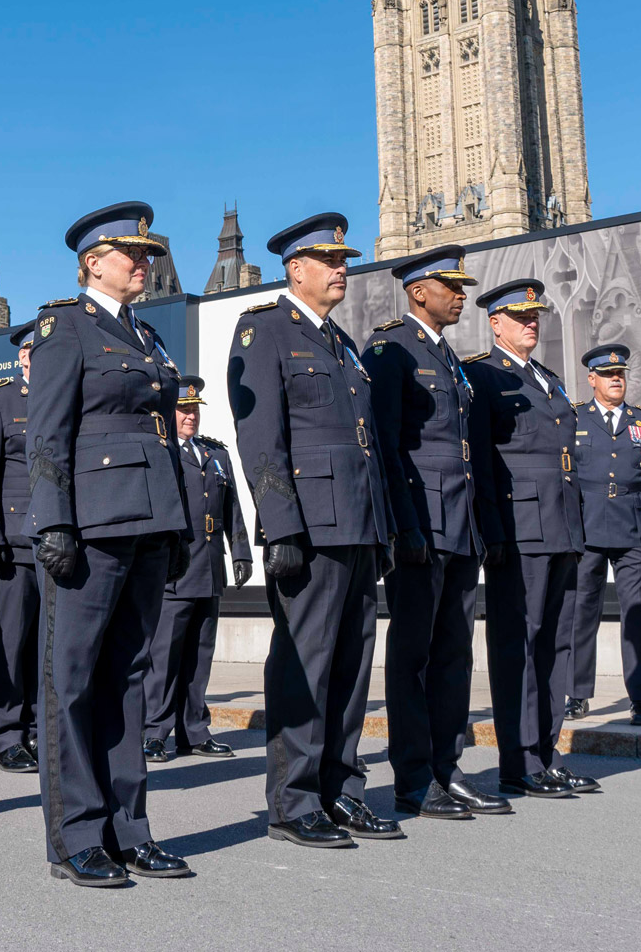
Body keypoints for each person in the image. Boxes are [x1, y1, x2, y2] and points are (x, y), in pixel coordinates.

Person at [27, 201, 193, 886]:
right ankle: (76, 836)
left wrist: (176, 520)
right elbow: (47, 432)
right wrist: (54, 522)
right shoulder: (65, 326)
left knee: (128, 679)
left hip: (149, 522)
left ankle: (130, 829)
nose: (144, 263)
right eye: (134, 254)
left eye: (149, 254)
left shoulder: (147, 336)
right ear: (95, 260)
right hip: (91, 525)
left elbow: (160, 438)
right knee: (72, 682)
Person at [228, 213, 405, 847]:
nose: (341, 270)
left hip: (358, 526)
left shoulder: (343, 345)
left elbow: (365, 448)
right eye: (329, 261)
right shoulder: (265, 331)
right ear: (295, 268)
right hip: (310, 526)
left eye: (345, 260)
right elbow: (261, 440)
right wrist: (280, 528)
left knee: (353, 666)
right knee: (305, 664)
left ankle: (341, 789)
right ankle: (294, 801)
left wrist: (382, 529)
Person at [363, 246, 510, 820]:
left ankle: (449, 769)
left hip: (460, 526)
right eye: (451, 286)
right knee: (413, 657)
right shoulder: (391, 349)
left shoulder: (447, 357)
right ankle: (414, 778)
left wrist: (482, 526)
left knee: (453, 655)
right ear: (419, 290)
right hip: (421, 526)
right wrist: (403, 525)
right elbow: (387, 445)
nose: (461, 294)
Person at [464, 280, 592, 800]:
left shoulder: (547, 377)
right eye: (520, 317)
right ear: (495, 323)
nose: (531, 324)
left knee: (556, 644)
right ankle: (517, 762)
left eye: (535, 316)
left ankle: (546, 754)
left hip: (560, 524)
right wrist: (491, 528)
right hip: (520, 529)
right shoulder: (484, 374)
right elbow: (484, 462)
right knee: (520, 645)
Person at [565, 343, 641, 728]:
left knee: (639, 613)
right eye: (608, 375)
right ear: (592, 379)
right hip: (587, 527)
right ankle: (577, 694)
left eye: (621, 374)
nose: (617, 380)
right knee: (581, 612)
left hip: (634, 527)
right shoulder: (574, 419)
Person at [142, 375, 250, 765]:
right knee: (165, 656)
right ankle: (154, 732)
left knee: (200, 654)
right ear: (170, 413)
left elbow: (232, 509)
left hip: (209, 568)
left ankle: (195, 731)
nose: (190, 417)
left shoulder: (216, 455)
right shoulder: (163, 452)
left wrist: (241, 553)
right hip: (176, 569)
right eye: (183, 410)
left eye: (194, 410)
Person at [0, 321, 41, 773]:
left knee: (46, 648)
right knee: (8, 643)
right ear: (22, 357)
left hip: (57, 544)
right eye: (36, 352)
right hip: (13, 545)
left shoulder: (67, 401)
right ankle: (6, 733)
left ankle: (37, 728)